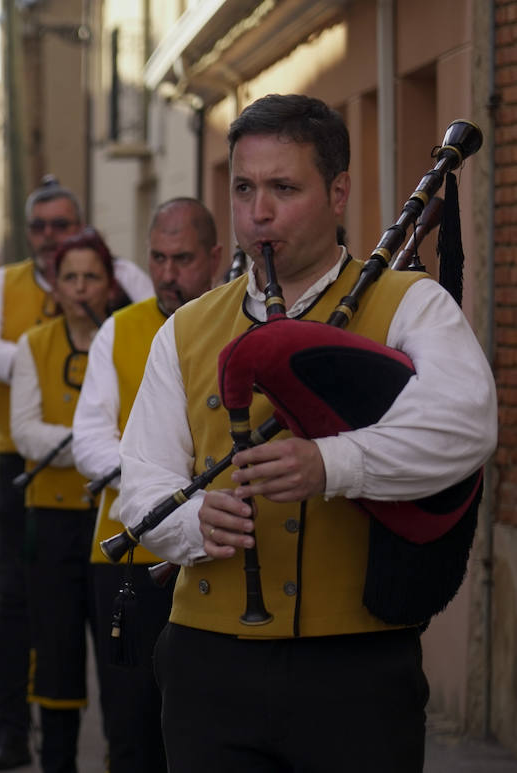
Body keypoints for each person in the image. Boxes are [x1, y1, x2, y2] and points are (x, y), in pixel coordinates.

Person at [119, 94, 496, 771]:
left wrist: (333, 464)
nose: (257, 211)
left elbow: (465, 425)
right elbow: (142, 481)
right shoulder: (186, 329)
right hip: (210, 660)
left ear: (339, 192)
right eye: (244, 188)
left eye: (283, 188)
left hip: (356, 667)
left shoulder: (407, 303)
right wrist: (194, 522)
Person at [70, 198, 220, 773]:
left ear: (212, 256)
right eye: (156, 258)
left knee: (203, 728)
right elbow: (89, 441)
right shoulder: (121, 329)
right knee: (130, 724)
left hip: (217, 558)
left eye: (181, 259)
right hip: (126, 559)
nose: (165, 273)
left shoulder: (239, 319)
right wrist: (170, 488)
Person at [0, 176, 83, 770]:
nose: (51, 236)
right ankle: (11, 729)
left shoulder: (113, 277)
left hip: (103, 462)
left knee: (101, 601)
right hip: (21, 462)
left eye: (61, 224)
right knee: (14, 601)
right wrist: (47, 354)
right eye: (40, 226)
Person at [9, 228, 123, 773]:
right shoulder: (33, 345)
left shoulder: (127, 337)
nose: (80, 288)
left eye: (91, 277)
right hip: (51, 520)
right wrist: (98, 446)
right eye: (70, 277)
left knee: (118, 653)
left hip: (115, 521)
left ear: (109, 284)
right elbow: (25, 433)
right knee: (55, 653)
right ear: (54, 285)